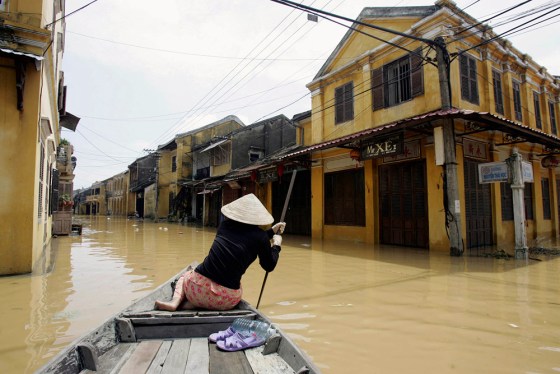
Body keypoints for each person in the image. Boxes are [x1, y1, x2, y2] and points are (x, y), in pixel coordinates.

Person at [155, 193, 285, 311]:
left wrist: (271, 232)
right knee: (236, 286)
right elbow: (269, 265)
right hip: (226, 300)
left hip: (197, 290)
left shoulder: (224, 226)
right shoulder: (260, 237)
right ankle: (191, 305)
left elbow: (244, 239)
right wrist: (277, 245)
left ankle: (176, 301)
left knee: (186, 275)